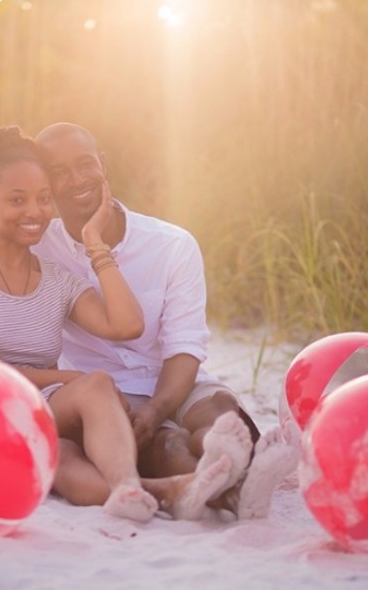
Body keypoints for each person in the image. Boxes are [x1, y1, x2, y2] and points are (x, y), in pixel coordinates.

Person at [0, 124, 243, 523]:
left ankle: (129, 486)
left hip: (36, 404)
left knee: (76, 427)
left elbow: (126, 325)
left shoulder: (56, 277)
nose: (33, 212)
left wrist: (94, 241)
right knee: (76, 405)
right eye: (17, 200)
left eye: (42, 200)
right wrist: (69, 379)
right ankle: (164, 490)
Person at [32, 122, 299, 520]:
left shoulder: (172, 244)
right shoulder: (38, 249)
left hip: (174, 382)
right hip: (108, 396)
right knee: (166, 446)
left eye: (85, 164)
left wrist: (158, 406)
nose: (76, 180)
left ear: (103, 165)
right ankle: (236, 489)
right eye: (59, 172)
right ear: (46, 185)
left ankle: (232, 457)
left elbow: (185, 346)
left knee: (220, 410)